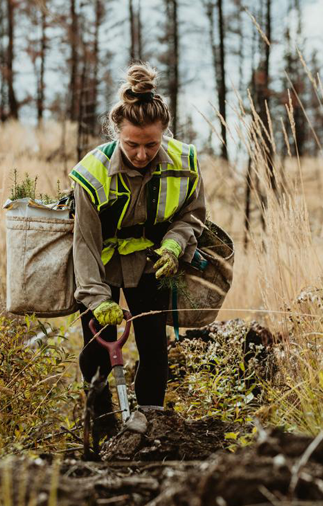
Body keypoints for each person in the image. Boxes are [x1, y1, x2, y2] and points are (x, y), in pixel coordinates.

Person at [69, 63, 206, 438]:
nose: (142, 153)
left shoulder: (185, 163)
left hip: (152, 263)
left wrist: (175, 245)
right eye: (132, 144)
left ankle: (151, 427)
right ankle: (100, 431)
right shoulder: (91, 174)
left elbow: (193, 216)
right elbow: (84, 244)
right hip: (101, 266)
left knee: (153, 346)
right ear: (116, 134)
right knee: (96, 351)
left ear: (164, 133)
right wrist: (97, 299)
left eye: (151, 144)